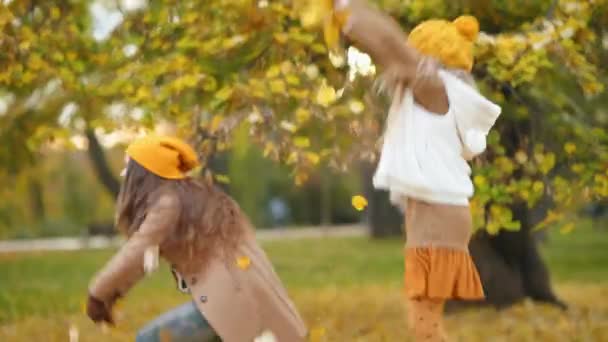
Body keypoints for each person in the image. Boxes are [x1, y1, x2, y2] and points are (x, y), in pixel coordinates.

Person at [332, 1, 502, 341]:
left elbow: (388, 45)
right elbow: (391, 54)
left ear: (430, 61)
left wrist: (344, 8)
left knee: (425, 327)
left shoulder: (434, 89)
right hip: (436, 214)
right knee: (426, 324)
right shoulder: (435, 95)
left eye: (414, 54)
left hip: (438, 216)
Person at [85, 135, 307, 341]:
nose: (124, 174)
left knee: (148, 339)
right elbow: (146, 259)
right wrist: (114, 292)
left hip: (229, 304)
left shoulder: (168, 204)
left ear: (143, 174)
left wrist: (98, 294)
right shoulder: (200, 198)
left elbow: (138, 250)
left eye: (128, 167)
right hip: (249, 298)